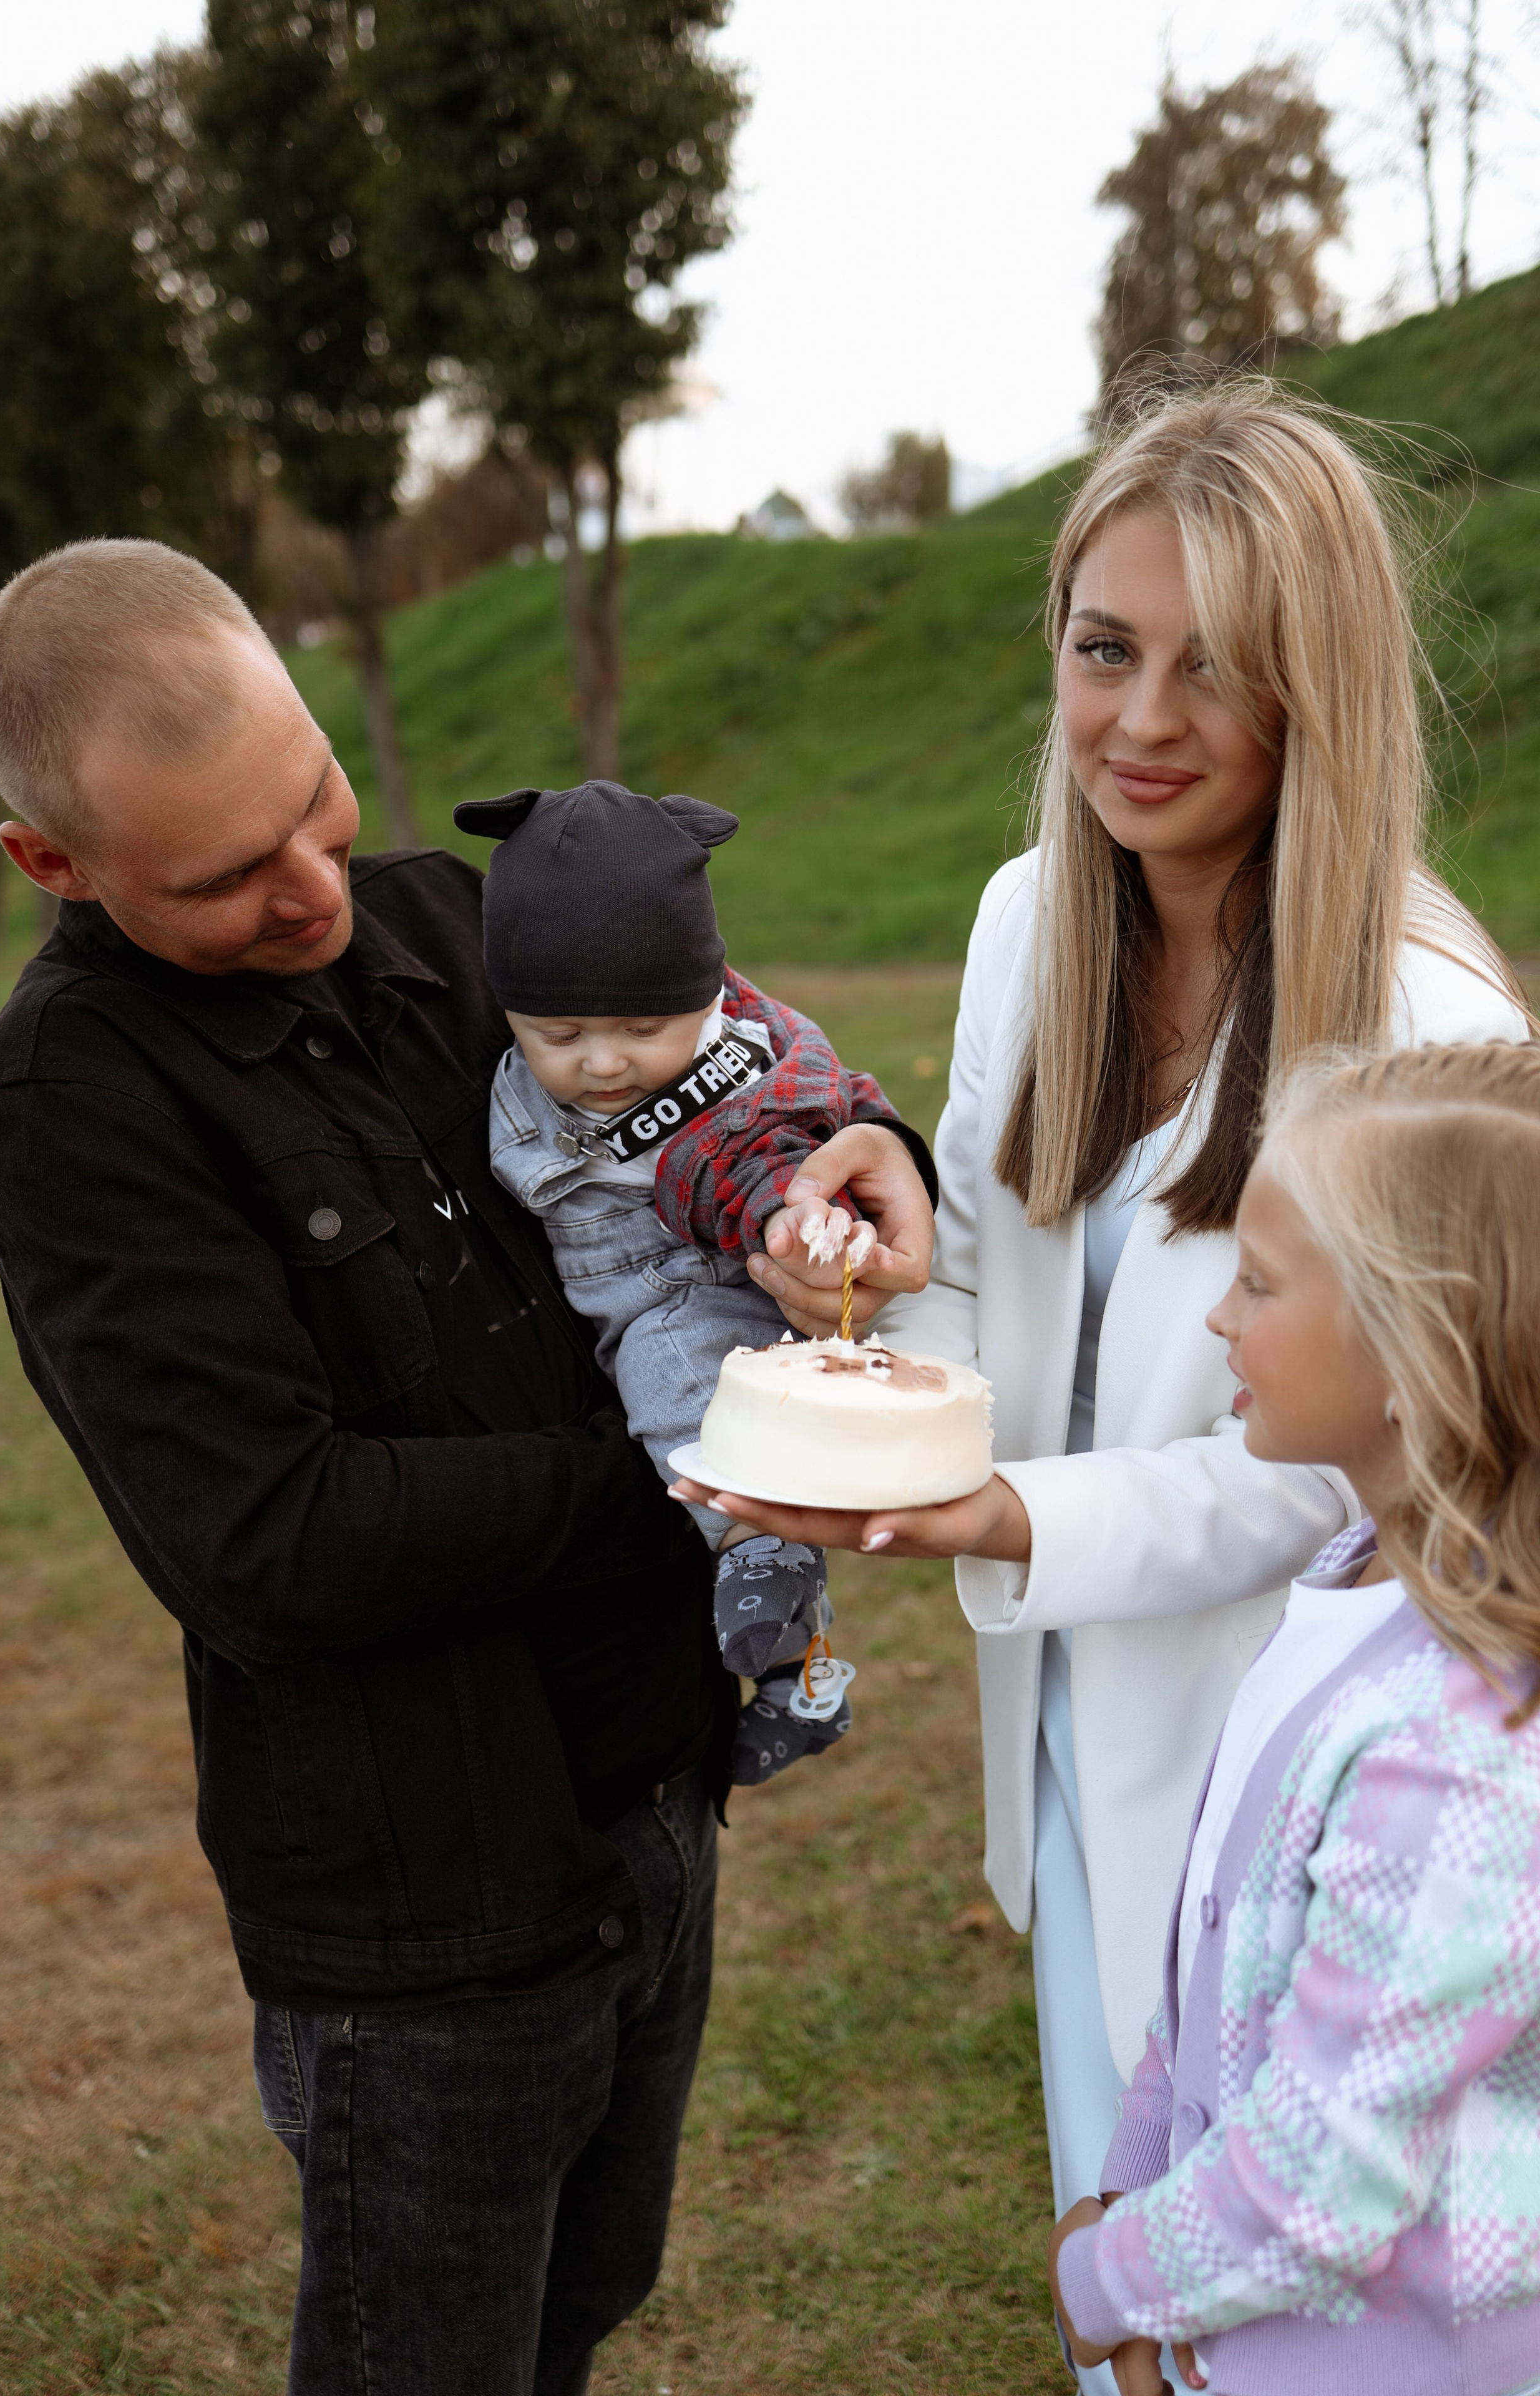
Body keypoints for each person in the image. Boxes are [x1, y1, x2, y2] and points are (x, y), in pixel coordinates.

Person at [0, 537, 936, 2396]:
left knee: (582, 2314)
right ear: (52, 864)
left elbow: (713, 1073)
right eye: (231, 877)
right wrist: (687, 1461)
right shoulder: (70, 1104)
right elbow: (270, 1542)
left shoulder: (445, 914)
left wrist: (858, 1146)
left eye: (315, 804)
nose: (317, 888)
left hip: (651, 1803)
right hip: (423, 1911)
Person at [673, 382, 1533, 2394]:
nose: (1141, 719)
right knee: (1128, 2230)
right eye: (1104, 645)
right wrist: (872, 1309)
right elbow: (978, 1254)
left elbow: (1360, 1469)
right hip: (1064, 1733)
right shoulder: (1021, 920)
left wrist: (1009, 1517)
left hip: (1313, 1775)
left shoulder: (1423, 1018)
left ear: (1318, 685)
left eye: (1216, 667)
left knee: (1296, 2284)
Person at [1050, 1040, 1540, 2396]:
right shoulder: (1351, 1584)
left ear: (1415, 1352)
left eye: (1256, 1283)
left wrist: (1106, 2281)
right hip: (1245, 2317)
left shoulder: (1463, 1751)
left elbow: (1321, 2179)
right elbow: (1221, 1968)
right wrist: (1137, 2178)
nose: (1215, 1320)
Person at [459, 776, 907, 1783]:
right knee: (692, 1420)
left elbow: (776, 1138)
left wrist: (797, 1210)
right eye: (558, 1036)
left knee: (683, 1397)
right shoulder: (546, 1070)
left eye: (641, 1029)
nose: (604, 1064)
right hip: (640, 1276)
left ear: (704, 995)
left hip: (708, 1270)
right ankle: (804, 1679)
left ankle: (756, 1538)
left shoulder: (739, 1059)